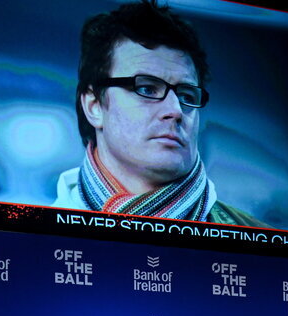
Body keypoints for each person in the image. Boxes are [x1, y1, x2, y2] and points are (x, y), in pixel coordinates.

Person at [54, 0, 269, 227]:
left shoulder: (261, 240)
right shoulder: (33, 234)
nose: (175, 111)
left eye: (186, 96)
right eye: (146, 88)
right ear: (94, 106)